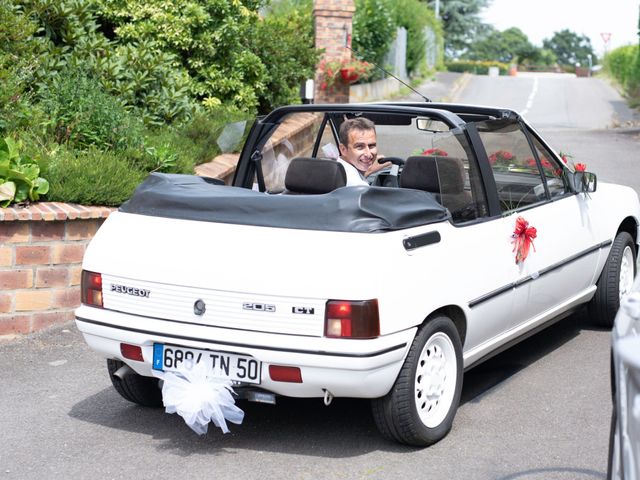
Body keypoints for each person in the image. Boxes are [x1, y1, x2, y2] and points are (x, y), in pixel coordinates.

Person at [337, 117, 389, 186]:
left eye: (371, 146)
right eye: (360, 147)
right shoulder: (358, 186)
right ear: (343, 149)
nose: (368, 154)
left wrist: (367, 172)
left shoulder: (335, 169)